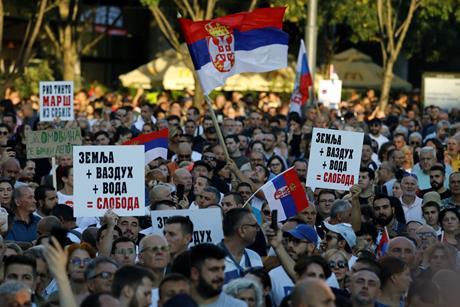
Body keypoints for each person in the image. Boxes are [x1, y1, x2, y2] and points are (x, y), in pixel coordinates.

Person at [220, 208, 263, 283]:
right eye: (255, 226)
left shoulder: (255, 257)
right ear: (242, 230)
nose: (257, 230)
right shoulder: (211, 258)